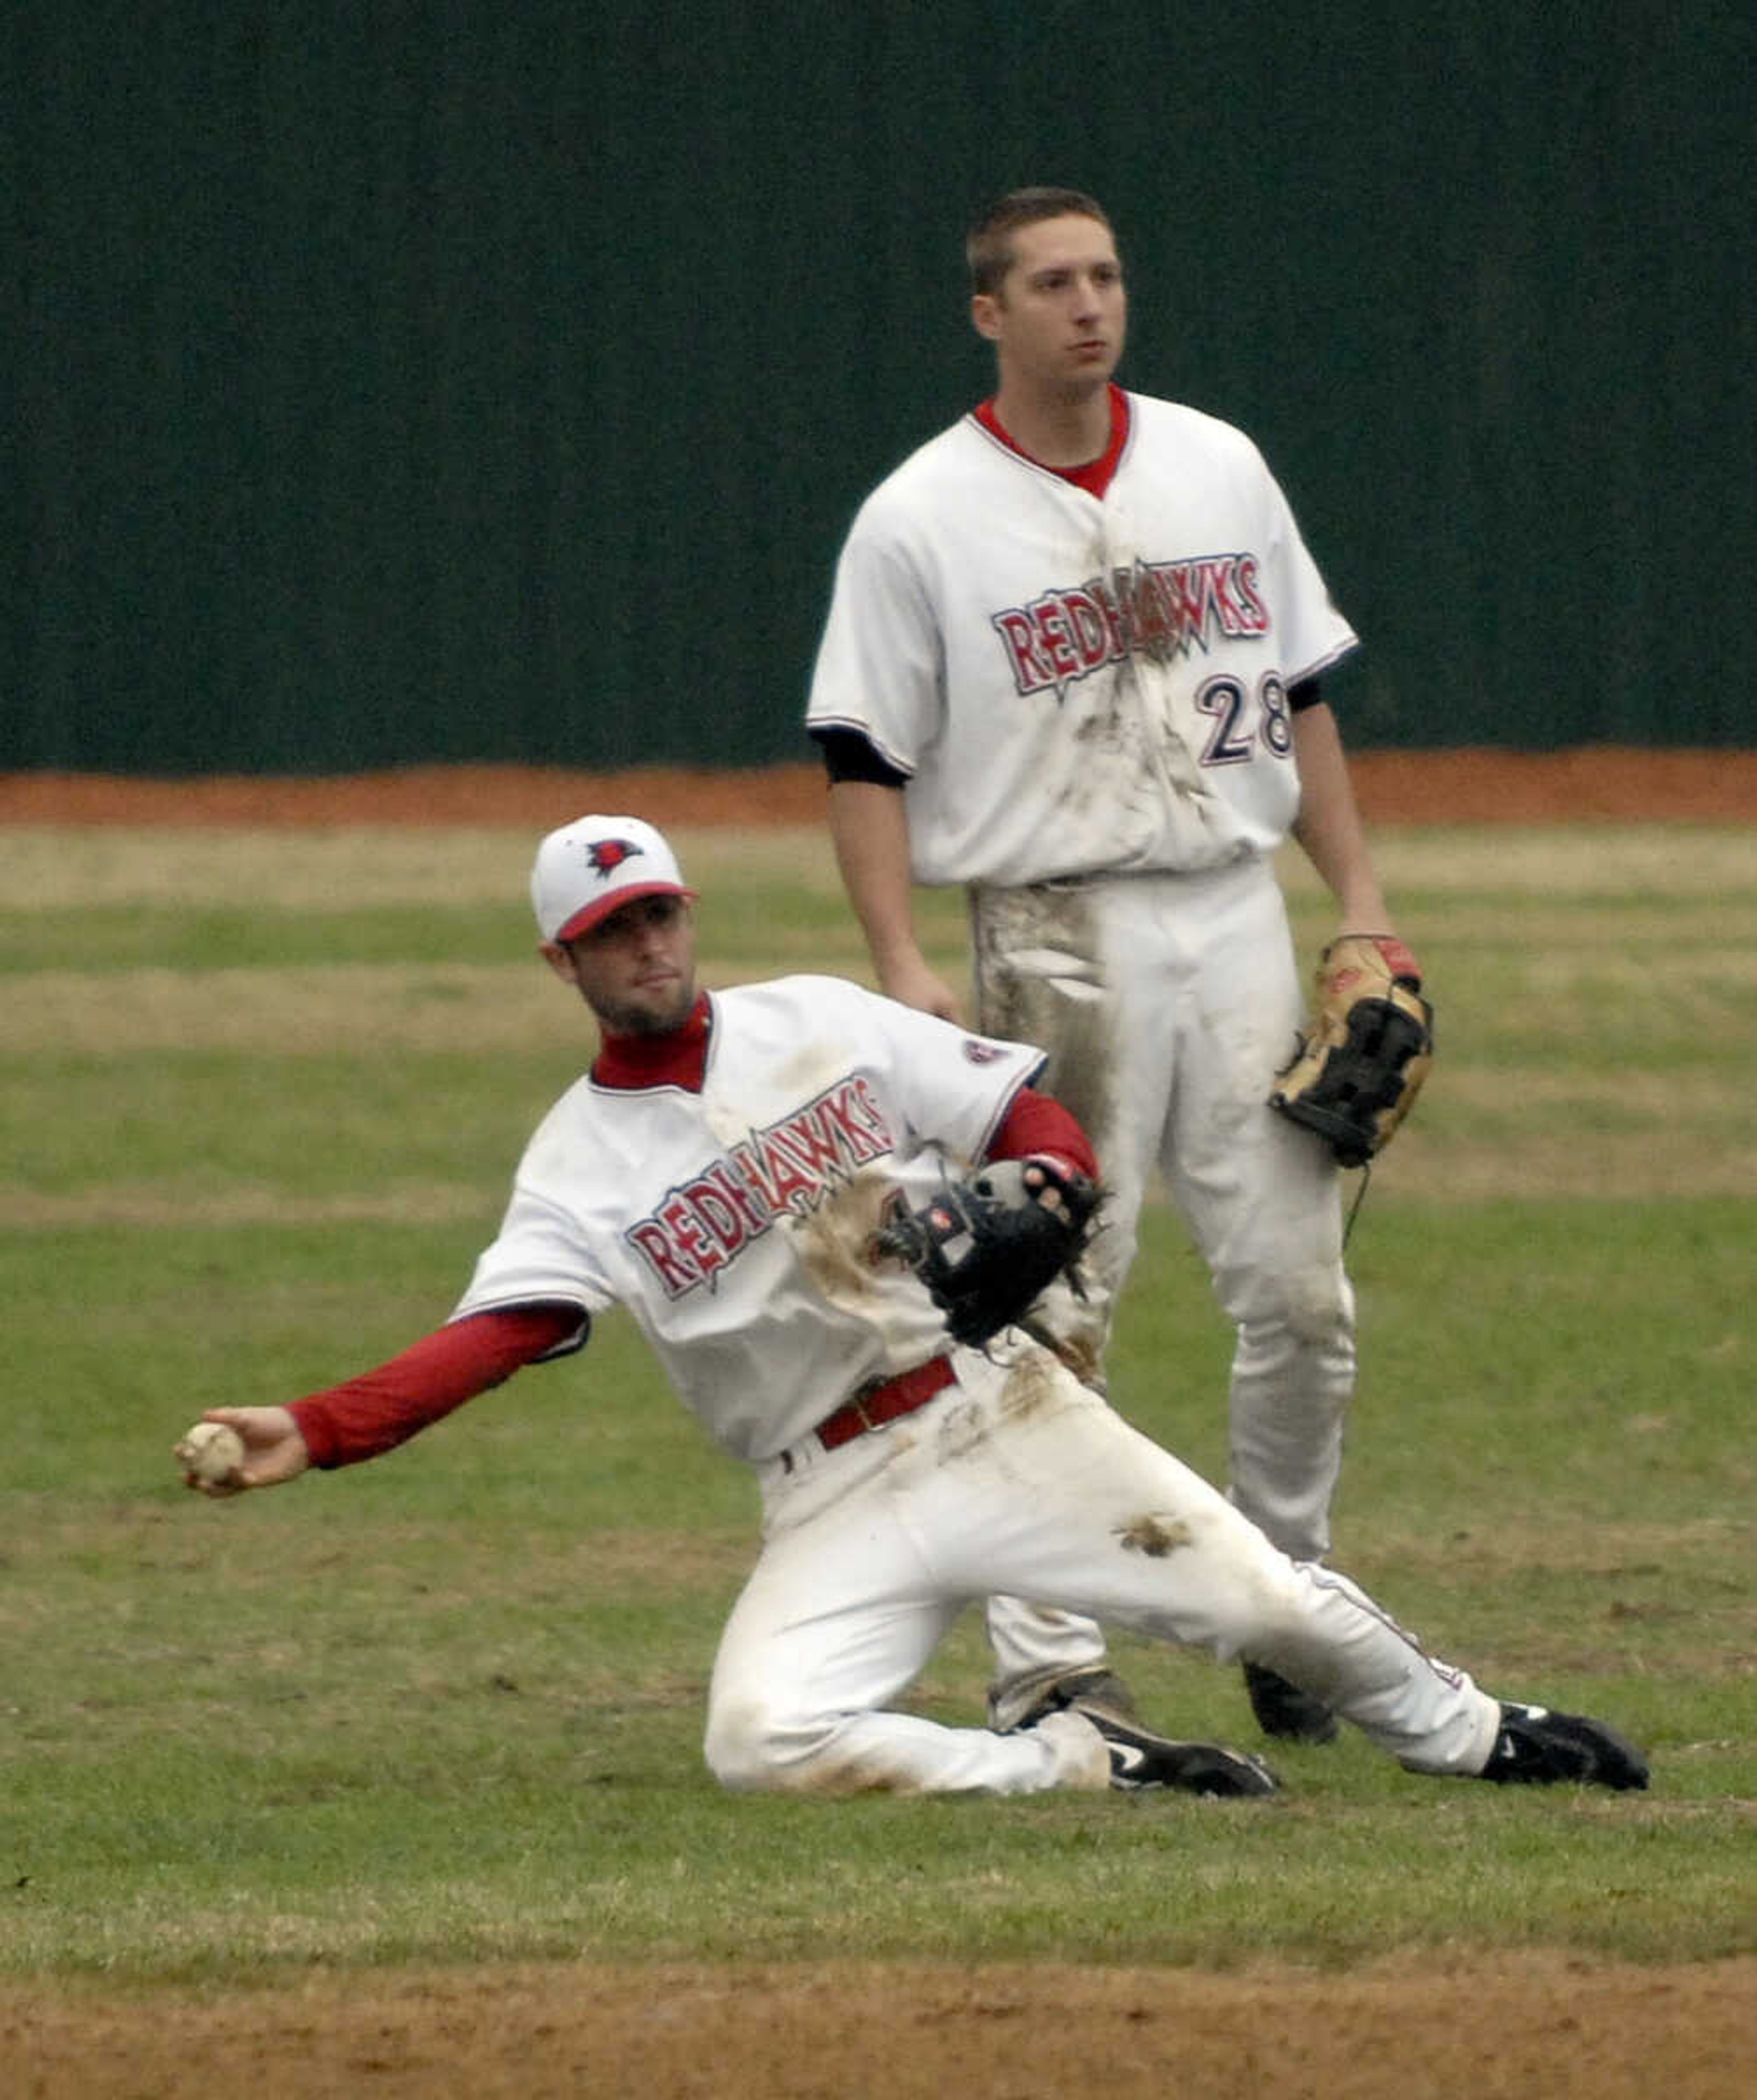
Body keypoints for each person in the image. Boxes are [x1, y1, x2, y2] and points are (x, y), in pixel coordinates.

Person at [178, 813, 1649, 1804]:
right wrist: (315, 1429)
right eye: (614, 932)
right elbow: (493, 1339)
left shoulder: (819, 1019)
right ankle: (1082, 1768)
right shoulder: (577, 1167)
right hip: (829, 1498)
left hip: (994, 1412)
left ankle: (1474, 1735)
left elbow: (1021, 1111)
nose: (650, 947)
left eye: (662, 914)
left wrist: (1058, 1192)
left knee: (1264, 1599)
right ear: (563, 962)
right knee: (758, 1743)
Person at [806, 186, 1411, 1745]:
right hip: (1051, 925)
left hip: (1238, 916)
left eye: (1108, 276)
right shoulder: (920, 515)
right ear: (988, 313)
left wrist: (1359, 903)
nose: (1091, 304)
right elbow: (863, 757)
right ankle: (1050, 1657)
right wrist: (900, 961)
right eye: (1053, 283)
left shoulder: (1220, 463)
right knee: (1054, 1292)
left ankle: (1290, 1603)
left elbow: (1302, 691)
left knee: (1302, 1295)